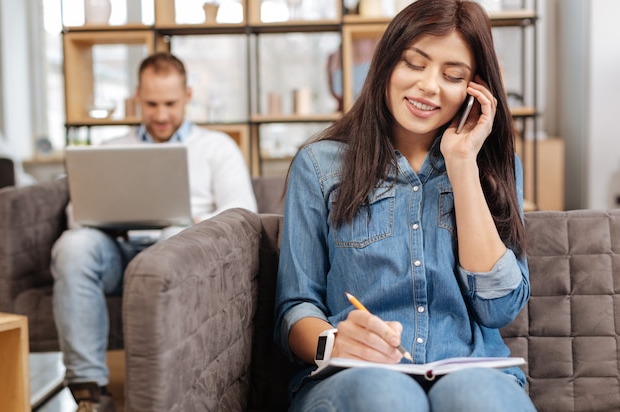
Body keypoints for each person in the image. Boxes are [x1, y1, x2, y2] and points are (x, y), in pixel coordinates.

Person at [273, 0, 537, 411]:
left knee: (479, 398)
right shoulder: (320, 165)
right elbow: (295, 306)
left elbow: (499, 307)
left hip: (473, 371)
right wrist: (335, 343)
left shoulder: (495, 169)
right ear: (386, 64)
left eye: (452, 75)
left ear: (475, 89)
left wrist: (463, 164)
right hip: (354, 376)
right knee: (385, 395)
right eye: (414, 64)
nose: (429, 86)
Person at [51, 52, 257, 412]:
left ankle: (160, 395)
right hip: (120, 251)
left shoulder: (217, 148)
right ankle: (90, 394)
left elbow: (244, 213)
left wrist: (191, 224)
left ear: (188, 96)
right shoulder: (112, 150)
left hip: (179, 255)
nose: (160, 115)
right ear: (136, 98)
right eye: (151, 104)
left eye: (170, 103)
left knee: (170, 241)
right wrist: (106, 217)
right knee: (73, 246)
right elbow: (76, 213)